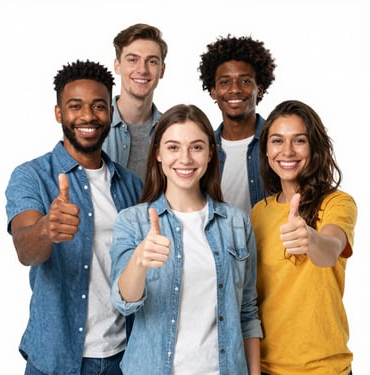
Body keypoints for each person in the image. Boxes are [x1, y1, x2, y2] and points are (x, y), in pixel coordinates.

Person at [5, 60, 143, 375]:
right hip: (56, 358)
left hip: (124, 357)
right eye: (75, 106)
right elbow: (25, 250)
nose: (88, 116)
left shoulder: (131, 184)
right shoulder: (31, 176)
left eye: (98, 106)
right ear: (59, 113)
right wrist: (46, 230)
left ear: (110, 112)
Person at [109, 104, 263, 374]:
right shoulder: (132, 221)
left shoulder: (237, 223)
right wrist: (140, 260)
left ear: (210, 153)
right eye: (173, 147)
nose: (185, 158)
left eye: (196, 147)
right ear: (157, 153)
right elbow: (124, 302)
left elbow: (247, 312)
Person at [250, 100, 357, 375]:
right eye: (277, 141)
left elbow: (332, 248)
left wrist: (311, 239)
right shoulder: (258, 213)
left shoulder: (337, 203)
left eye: (299, 140)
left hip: (324, 368)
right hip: (266, 367)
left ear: (314, 147)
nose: (287, 151)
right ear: (266, 150)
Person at [198, 35, 276, 214]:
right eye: (225, 82)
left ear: (260, 89)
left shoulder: (278, 142)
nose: (235, 89)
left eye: (245, 81)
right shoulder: (202, 148)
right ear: (213, 92)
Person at [102, 23, 168, 181]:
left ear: (162, 70)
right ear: (117, 66)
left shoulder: (171, 129)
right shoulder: (93, 124)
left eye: (152, 61)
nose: (142, 69)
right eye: (132, 60)